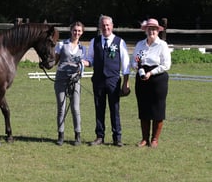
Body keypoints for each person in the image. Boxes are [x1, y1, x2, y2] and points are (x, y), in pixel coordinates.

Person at [82, 15, 130, 147]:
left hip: (113, 80)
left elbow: (125, 64)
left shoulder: (120, 42)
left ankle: (117, 137)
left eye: (108, 25)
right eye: (103, 25)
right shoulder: (94, 41)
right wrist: (82, 62)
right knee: (99, 108)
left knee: (114, 108)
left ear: (112, 26)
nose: (106, 27)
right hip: (98, 80)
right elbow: (90, 60)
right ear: (100, 27)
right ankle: (99, 136)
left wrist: (126, 82)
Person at [131, 18, 171, 148]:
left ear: (158, 31)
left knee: (157, 109)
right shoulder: (140, 44)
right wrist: (138, 68)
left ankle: (155, 139)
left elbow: (166, 65)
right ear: (146, 30)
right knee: (144, 109)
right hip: (142, 78)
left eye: (154, 29)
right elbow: (134, 61)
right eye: (149, 29)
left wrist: (151, 73)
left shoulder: (162, 45)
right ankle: (144, 138)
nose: (151, 31)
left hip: (157, 79)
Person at [54, 21, 86, 146]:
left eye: (79, 31)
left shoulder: (83, 48)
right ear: (71, 31)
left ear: (82, 32)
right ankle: (60, 135)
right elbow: (55, 61)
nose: (76, 33)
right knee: (61, 108)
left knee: (75, 108)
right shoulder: (61, 45)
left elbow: (85, 63)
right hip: (61, 79)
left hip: (75, 80)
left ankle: (77, 135)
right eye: (75, 30)